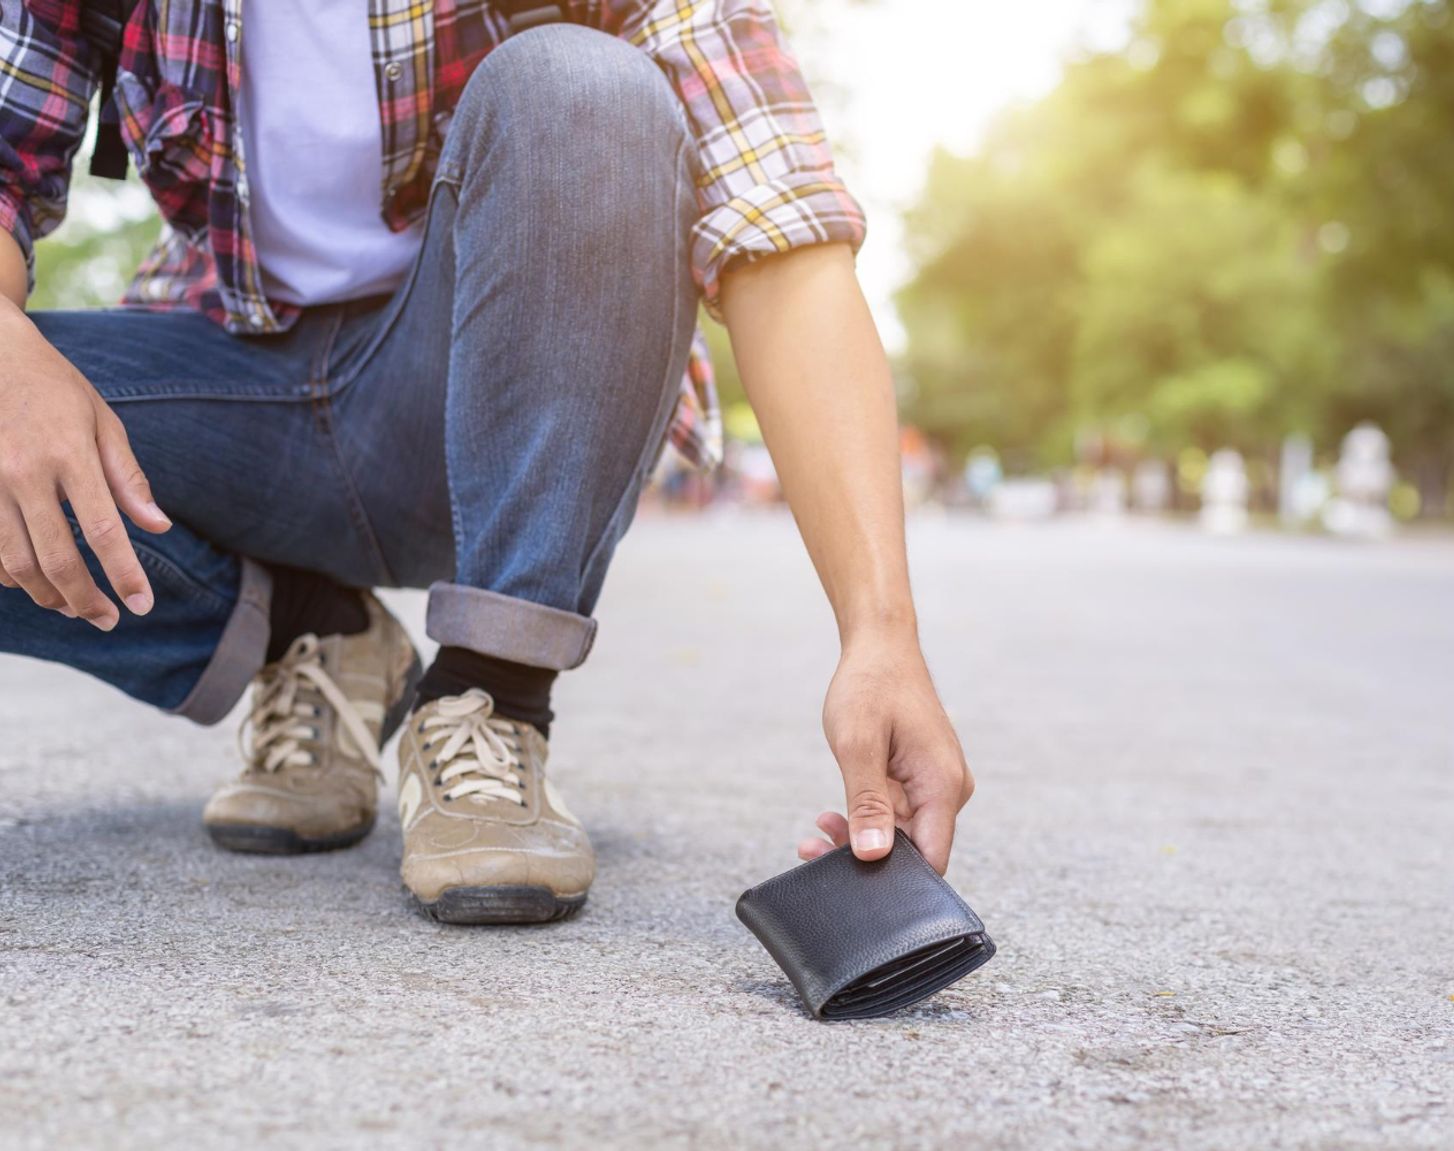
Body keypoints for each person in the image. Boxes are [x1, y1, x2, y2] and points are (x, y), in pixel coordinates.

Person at [0, 0, 974, 923]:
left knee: (584, 87)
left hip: (480, 404)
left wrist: (879, 634)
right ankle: (305, 627)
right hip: (236, 392)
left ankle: (491, 693)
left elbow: (778, 224)